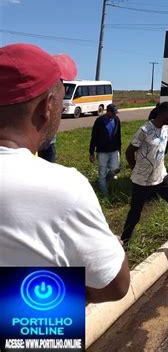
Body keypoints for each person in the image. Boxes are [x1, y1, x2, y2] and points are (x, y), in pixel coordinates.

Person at [0, 43, 129, 303]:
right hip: (30, 328)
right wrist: (113, 246)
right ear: (47, 106)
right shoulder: (64, 187)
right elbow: (115, 286)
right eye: (61, 98)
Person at [121, 102, 168, 253]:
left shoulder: (167, 128)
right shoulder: (144, 130)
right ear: (164, 114)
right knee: (135, 214)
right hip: (142, 180)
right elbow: (129, 151)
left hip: (161, 176)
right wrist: (135, 168)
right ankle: (124, 243)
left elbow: (162, 149)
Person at [89, 103, 122, 194]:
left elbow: (118, 135)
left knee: (116, 169)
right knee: (102, 172)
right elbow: (94, 137)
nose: (115, 115)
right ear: (108, 111)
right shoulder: (99, 121)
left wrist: (119, 149)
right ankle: (104, 192)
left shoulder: (116, 120)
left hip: (114, 149)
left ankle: (105, 181)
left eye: (116, 113)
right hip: (102, 151)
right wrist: (91, 152)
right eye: (113, 113)